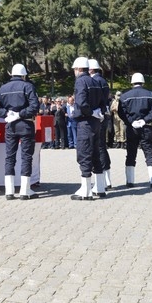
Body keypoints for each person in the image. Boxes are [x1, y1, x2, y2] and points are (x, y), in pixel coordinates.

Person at [0, 63, 40, 200]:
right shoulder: (28, 86)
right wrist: (21, 114)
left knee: (10, 157)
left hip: (10, 126)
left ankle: (9, 191)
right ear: (24, 74)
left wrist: (7, 113)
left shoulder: (3, 88)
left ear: (11, 74)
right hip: (25, 124)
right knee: (26, 156)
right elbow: (34, 106)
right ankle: (25, 190)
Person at [117, 72, 152, 188]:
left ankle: (130, 181)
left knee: (130, 153)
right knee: (149, 152)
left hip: (131, 128)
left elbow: (121, 112)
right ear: (143, 81)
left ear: (132, 82)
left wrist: (131, 121)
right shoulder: (151, 95)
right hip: (146, 127)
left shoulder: (124, 96)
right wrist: (145, 120)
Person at [70, 57, 105, 200]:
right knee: (96, 153)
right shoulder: (95, 81)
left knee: (84, 153)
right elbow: (103, 101)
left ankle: (86, 190)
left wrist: (89, 112)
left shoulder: (80, 81)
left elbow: (81, 102)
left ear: (78, 69)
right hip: (96, 122)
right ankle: (100, 187)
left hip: (85, 122)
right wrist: (98, 112)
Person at [88, 58, 112, 193]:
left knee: (98, 147)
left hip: (98, 115)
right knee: (102, 146)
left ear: (91, 69)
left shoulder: (95, 81)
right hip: (104, 114)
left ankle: (102, 180)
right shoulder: (103, 80)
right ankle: (107, 179)